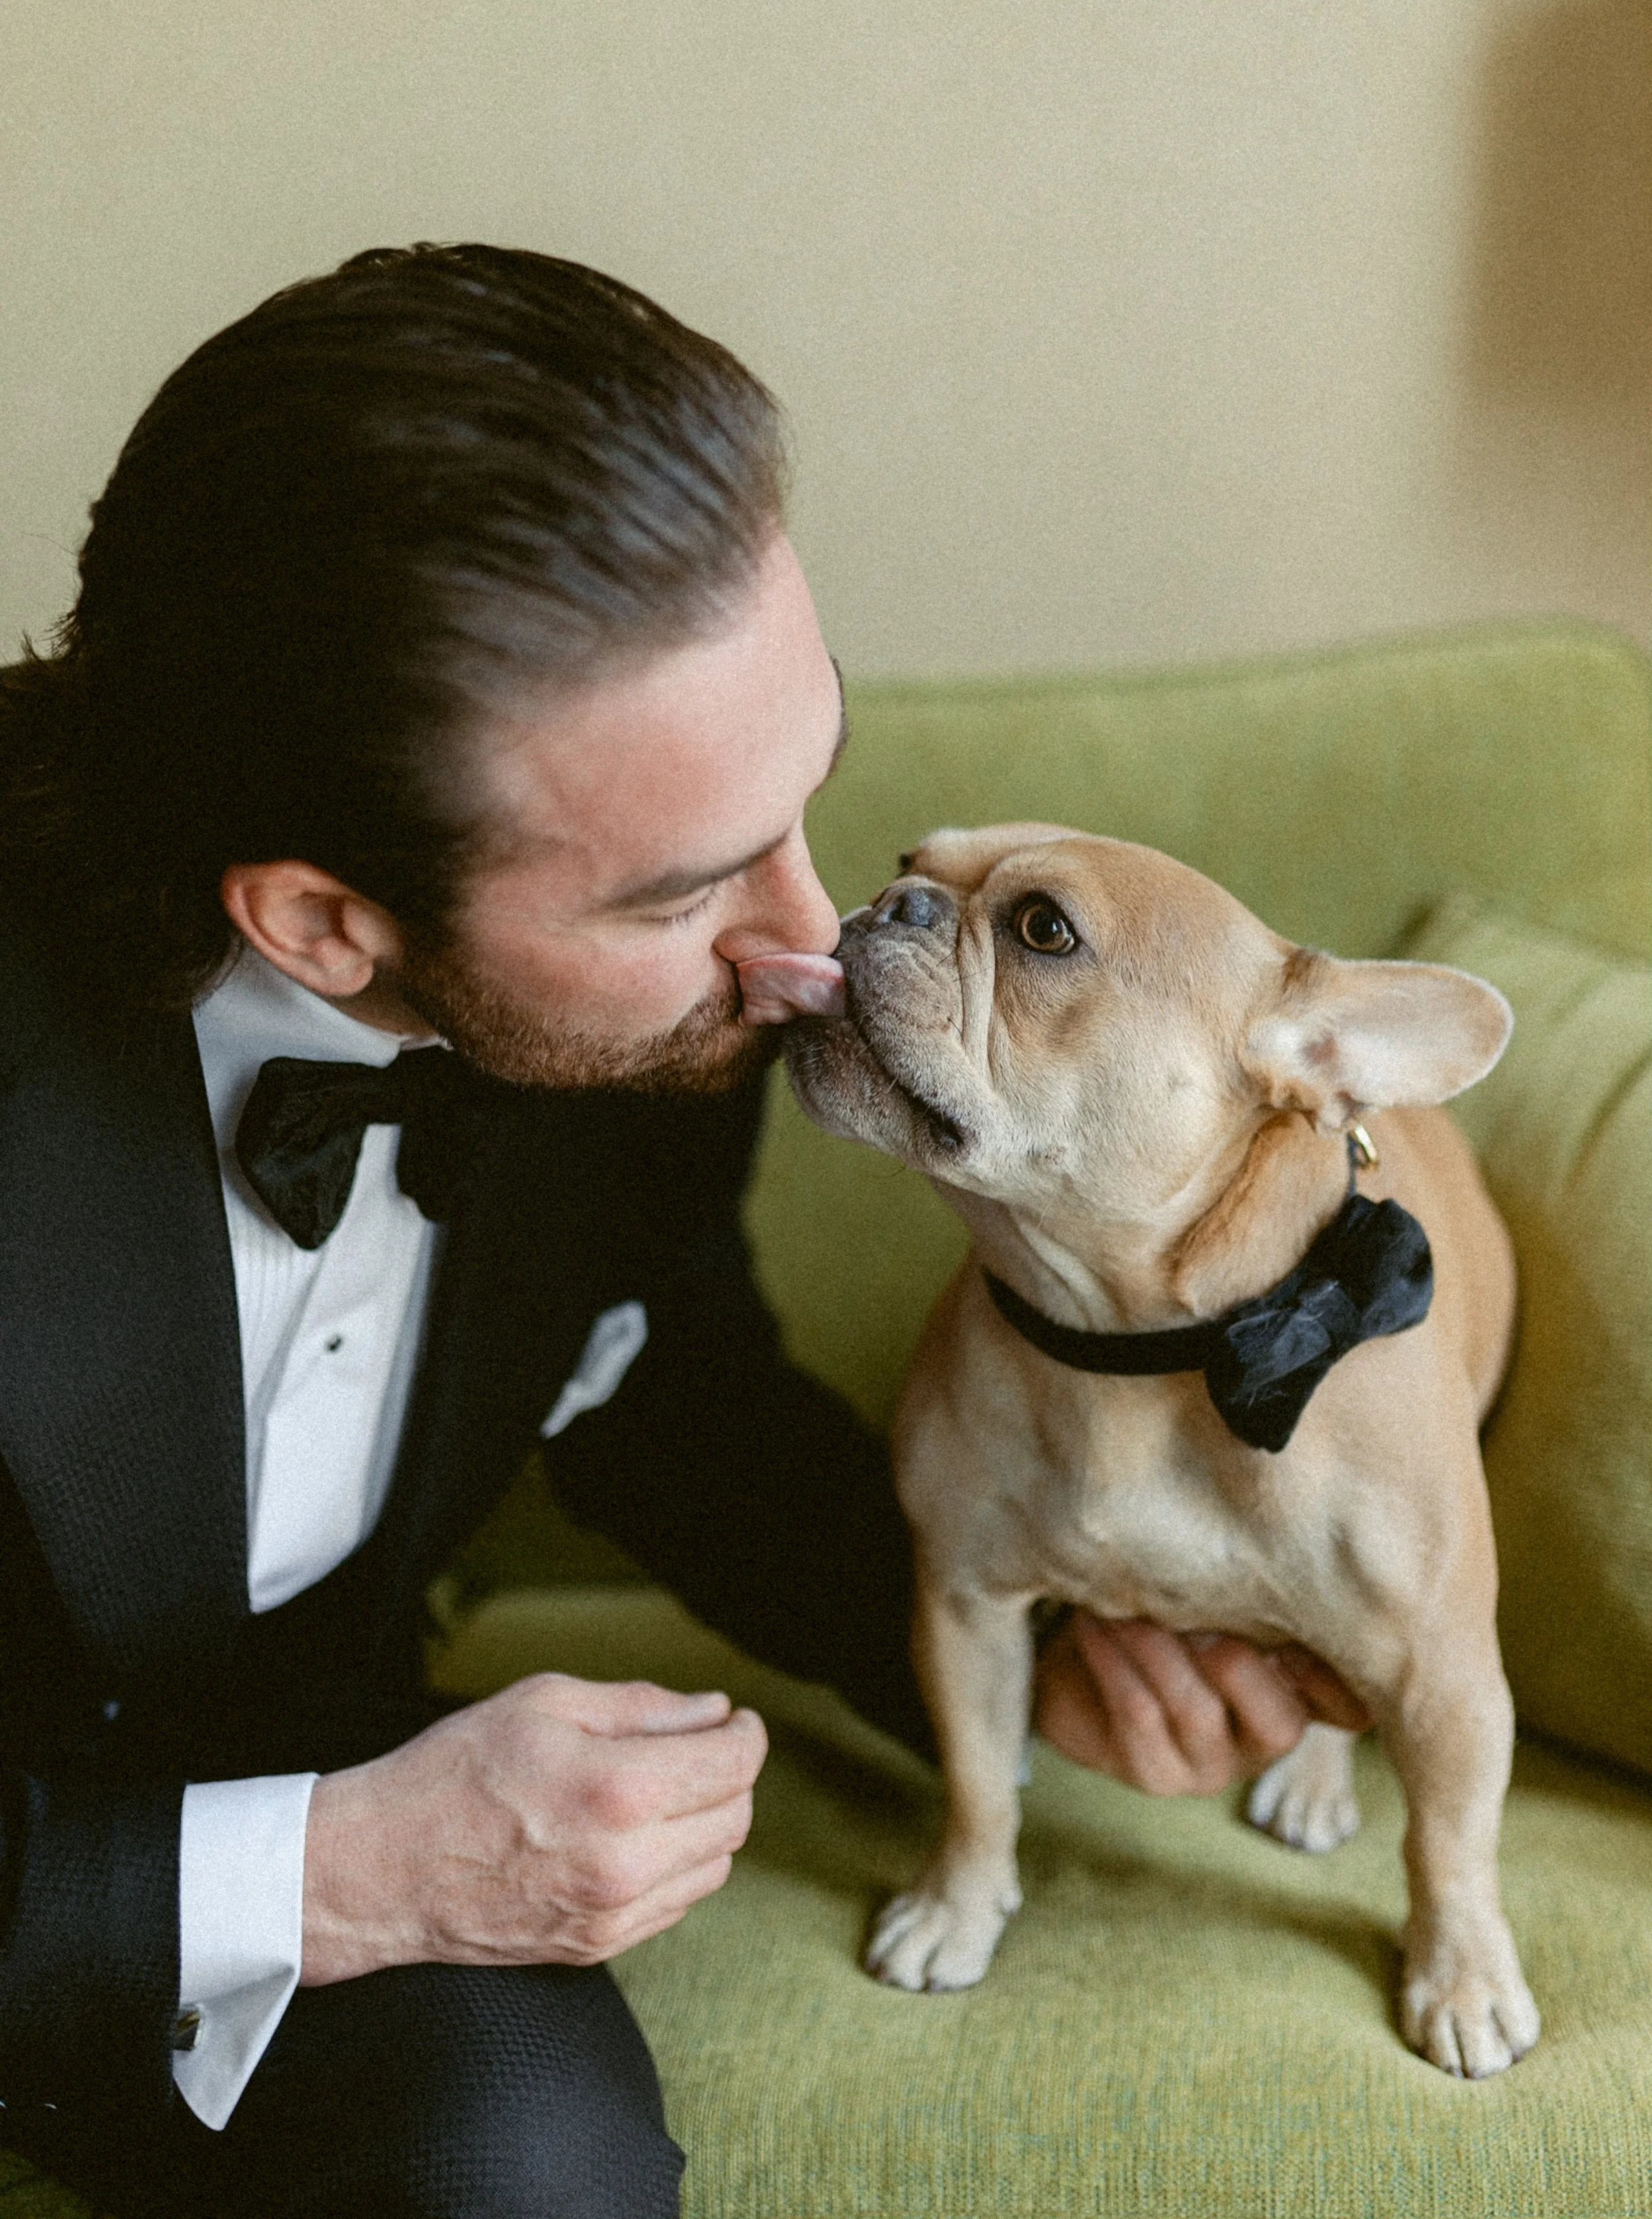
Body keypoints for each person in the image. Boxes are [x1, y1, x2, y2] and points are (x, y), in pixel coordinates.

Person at [0, 244, 1366, 2218]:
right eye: (678, 897)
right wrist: (340, 1871)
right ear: (319, 922)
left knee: (536, 2177)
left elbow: (664, 1394)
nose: (815, 953)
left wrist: (1007, 1654)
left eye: (802, 802)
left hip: (307, 1742)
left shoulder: (662, 1033)